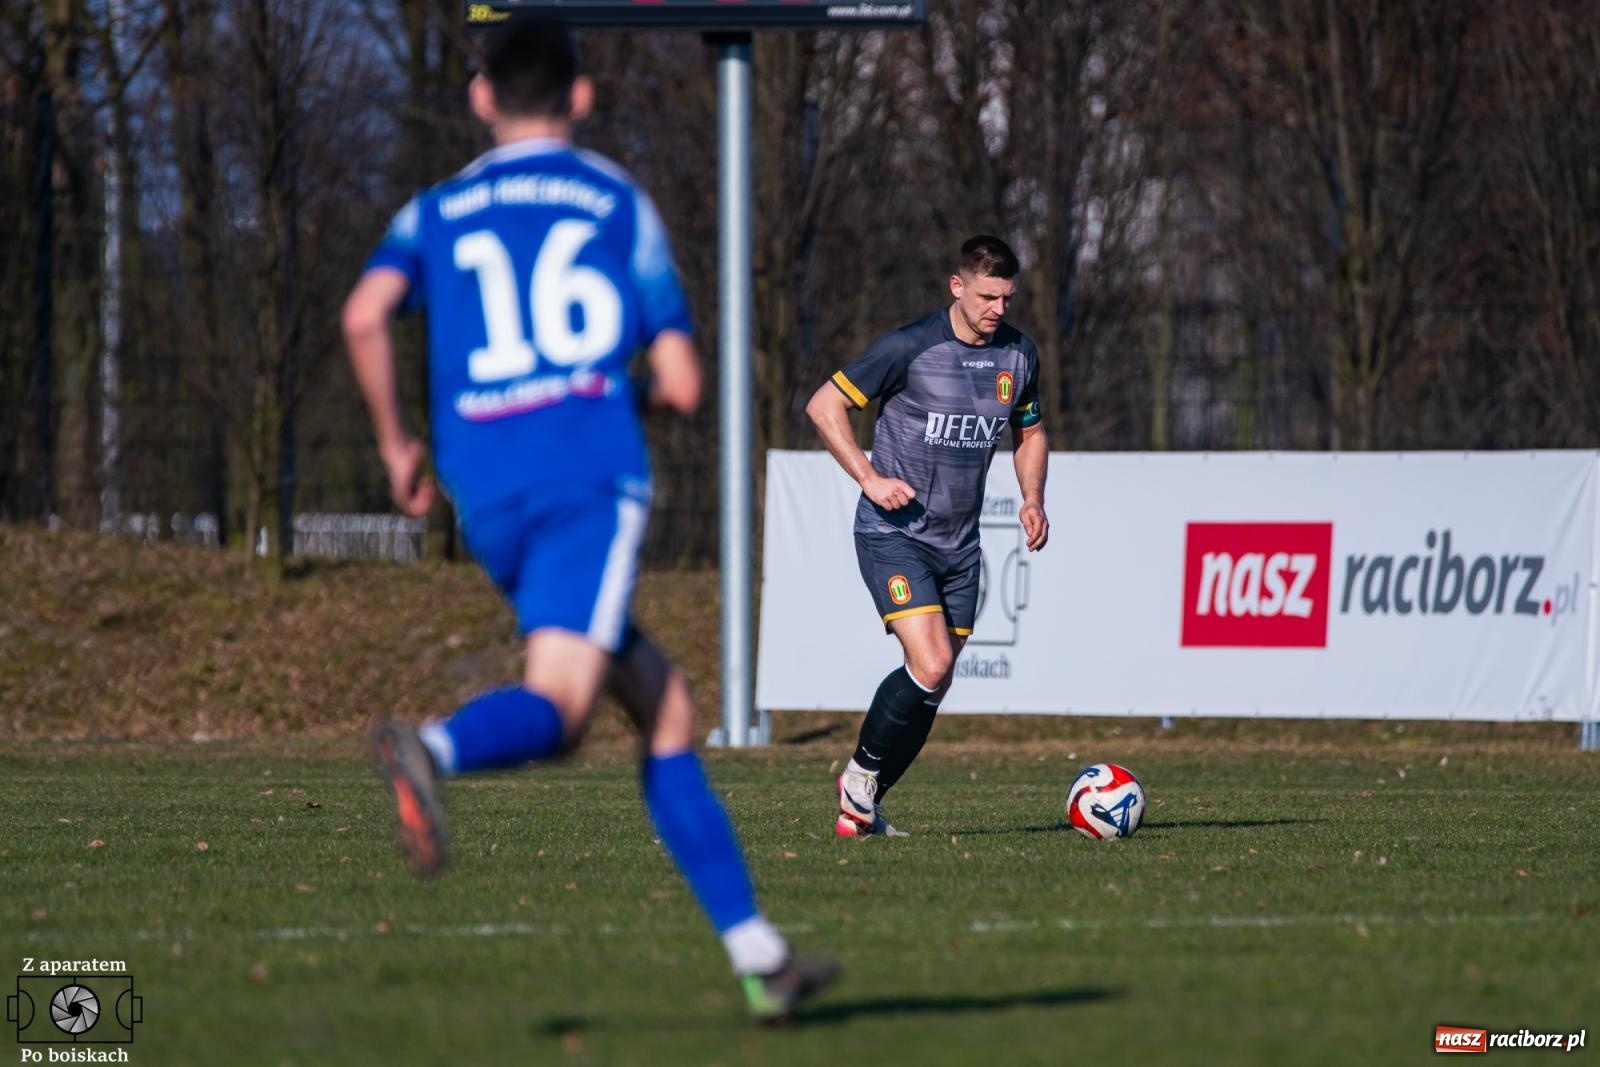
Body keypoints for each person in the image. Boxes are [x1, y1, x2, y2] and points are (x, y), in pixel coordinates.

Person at [341, 16, 837, 1023]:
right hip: (584, 481)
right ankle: (428, 749)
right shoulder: (614, 199)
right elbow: (686, 383)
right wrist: (617, 394)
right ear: (580, 95)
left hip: (484, 491)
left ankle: (761, 955)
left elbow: (362, 314)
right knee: (563, 711)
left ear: (480, 98)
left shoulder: (434, 206)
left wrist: (399, 446)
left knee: (662, 703)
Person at [804, 235, 1050, 837]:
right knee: (932, 660)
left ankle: (862, 806)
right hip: (896, 534)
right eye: (988, 296)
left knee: (934, 685)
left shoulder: (1019, 355)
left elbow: (1031, 432)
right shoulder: (909, 347)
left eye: (1007, 297)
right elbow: (823, 405)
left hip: (961, 547)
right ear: (957, 286)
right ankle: (859, 774)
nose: (998, 308)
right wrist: (869, 477)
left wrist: (1033, 499)